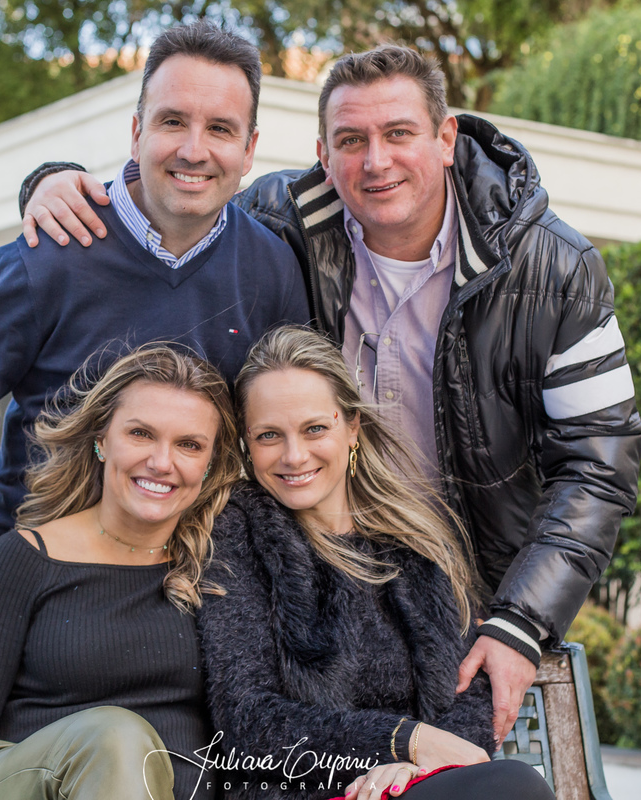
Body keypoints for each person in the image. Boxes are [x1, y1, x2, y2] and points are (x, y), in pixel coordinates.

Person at [19, 44, 641, 740]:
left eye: (398, 133)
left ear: (446, 137)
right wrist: (55, 183)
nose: (376, 161)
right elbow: (177, 200)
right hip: (308, 602)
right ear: (322, 152)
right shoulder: (281, 223)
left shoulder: (555, 269)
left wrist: (521, 620)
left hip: (469, 599)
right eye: (351, 140)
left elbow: (600, 462)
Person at [0, 20, 309, 638]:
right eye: (173, 121)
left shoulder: (272, 268)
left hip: (198, 599)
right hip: (40, 592)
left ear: (250, 148)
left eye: (220, 129)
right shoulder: (49, 250)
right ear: (136, 131)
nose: (194, 150)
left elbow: (285, 433)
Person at [195, 325, 554, 800]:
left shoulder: (413, 538)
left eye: (314, 428)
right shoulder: (235, 534)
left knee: (512, 786)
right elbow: (249, 719)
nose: (294, 455)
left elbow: (468, 693)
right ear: (246, 443)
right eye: (268, 435)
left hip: (416, 786)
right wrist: (401, 741)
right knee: (516, 786)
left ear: (352, 428)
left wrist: (414, 766)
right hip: (307, 791)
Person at [0, 345, 240, 800]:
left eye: (189, 445)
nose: (162, 462)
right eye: (141, 434)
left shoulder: (219, 570)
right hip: (27, 788)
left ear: (210, 464)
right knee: (116, 737)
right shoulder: (24, 560)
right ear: (101, 439)